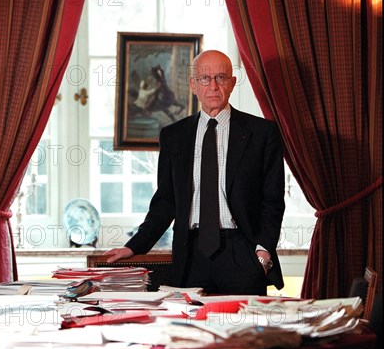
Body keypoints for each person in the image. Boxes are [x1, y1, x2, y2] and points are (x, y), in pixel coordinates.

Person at [104, 50, 285, 295]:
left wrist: (263, 253)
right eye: (204, 79)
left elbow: (272, 200)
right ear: (192, 85)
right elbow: (165, 201)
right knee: (187, 330)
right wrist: (135, 246)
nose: (213, 86)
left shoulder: (262, 133)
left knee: (243, 330)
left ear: (231, 83)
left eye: (220, 78)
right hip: (190, 256)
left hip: (243, 255)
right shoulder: (174, 136)